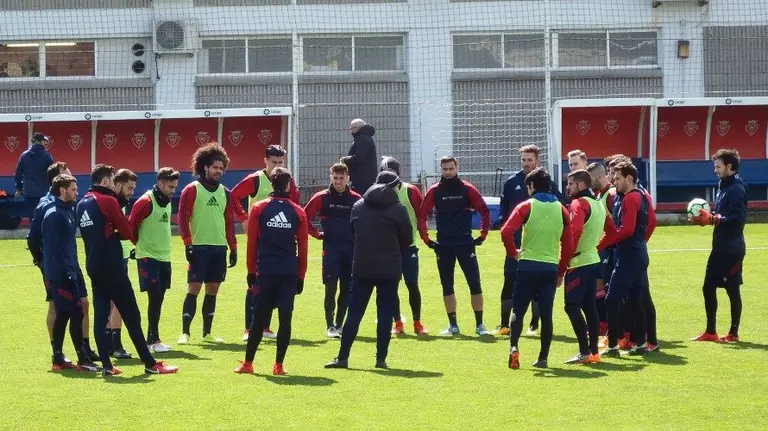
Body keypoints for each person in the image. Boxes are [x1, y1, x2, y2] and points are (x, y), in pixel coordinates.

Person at [77, 164, 177, 375]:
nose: (114, 186)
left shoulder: (82, 203)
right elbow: (127, 232)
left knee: (101, 312)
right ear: (105, 181)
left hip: (93, 263)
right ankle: (150, 364)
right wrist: (115, 228)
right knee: (132, 313)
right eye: (112, 181)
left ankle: (106, 365)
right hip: (112, 264)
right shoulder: (107, 200)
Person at [325, 171, 413, 369]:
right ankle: (380, 359)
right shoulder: (398, 209)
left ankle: (343, 357)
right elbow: (407, 238)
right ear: (394, 186)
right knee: (384, 314)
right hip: (389, 268)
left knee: (354, 313)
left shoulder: (358, 206)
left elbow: (353, 232)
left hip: (362, 266)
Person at [235, 168, 308, 376]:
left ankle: (248, 364)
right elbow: (303, 248)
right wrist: (301, 276)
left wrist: (251, 271)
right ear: (287, 186)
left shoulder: (258, 208)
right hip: (288, 273)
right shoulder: (297, 212)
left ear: (271, 185)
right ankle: (279, 366)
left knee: (258, 319)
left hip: (265, 271)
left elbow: (252, 243)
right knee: (285, 319)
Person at [501, 168, 572, 369]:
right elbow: (568, 246)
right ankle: (543, 358)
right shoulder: (561, 209)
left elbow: (506, 231)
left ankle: (513, 347)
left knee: (519, 309)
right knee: (546, 313)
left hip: (527, 264)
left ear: (531, 186)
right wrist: (561, 272)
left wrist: (513, 252)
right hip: (549, 267)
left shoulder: (527, 205)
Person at [27, 161, 98, 361]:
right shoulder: (46, 206)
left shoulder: (69, 205)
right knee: (57, 307)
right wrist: (43, 263)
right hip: (55, 267)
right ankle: (56, 351)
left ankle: (85, 348)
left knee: (83, 303)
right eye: (67, 174)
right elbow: (33, 237)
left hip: (72, 264)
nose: (76, 190)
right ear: (59, 183)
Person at [494, 145, 564, 336]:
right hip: (515, 244)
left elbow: (560, 206)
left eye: (529, 160)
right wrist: (504, 224)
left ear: (537, 160)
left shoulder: (546, 183)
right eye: (523, 160)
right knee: (509, 279)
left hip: (538, 244)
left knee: (536, 284)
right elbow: (504, 208)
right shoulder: (511, 183)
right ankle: (504, 323)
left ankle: (535, 322)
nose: (526, 163)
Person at [231, 144, 299, 341]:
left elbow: (293, 206)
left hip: (281, 241)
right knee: (255, 280)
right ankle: (249, 327)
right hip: (259, 240)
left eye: (280, 162)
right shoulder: (255, 180)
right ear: (265, 161)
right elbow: (234, 196)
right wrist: (244, 217)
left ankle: (265, 327)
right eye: (274, 162)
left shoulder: (288, 181)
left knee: (275, 282)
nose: (277, 166)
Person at [419, 156, 491, 336]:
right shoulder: (434, 190)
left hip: (465, 242)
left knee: (474, 282)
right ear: (441, 169)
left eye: (451, 168)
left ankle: (480, 325)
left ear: (457, 168)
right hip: (443, 244)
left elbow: (484, 210)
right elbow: (422, 215)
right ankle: (453, 325)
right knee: (447, 284)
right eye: (445, 169)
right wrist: (426, 239)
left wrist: (483, 234)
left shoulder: (467, 189)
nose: (448, 172)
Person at [177, 143, 238, 344]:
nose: (218, 171)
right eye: (215, 167)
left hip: (219, 248)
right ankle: (185, 333)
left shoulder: (226, 193)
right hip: (199, 247)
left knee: (212, 290)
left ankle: (207, 333)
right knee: (193, 288)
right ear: (205, 167)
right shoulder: (191, 189)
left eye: (221, 168)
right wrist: (188, 244)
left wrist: (233, 247)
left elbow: (229, 222)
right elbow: (182, 219)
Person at [690, 149, 747, 344]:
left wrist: (714, 219)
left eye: (718, 166)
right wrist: (704, 219)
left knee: (732, 290)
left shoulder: (737, 189)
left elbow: (738, 220)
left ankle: (734, 332)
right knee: (708, 287)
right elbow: (720, 215)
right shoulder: (723, 185)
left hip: (732, 250)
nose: (715, 170)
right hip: (720, 248)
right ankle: (711, 331)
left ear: (730, 167)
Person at [597, 161, 651, 356]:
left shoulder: (630, 199)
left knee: (612, 299)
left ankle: (613, 346)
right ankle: (641, 344)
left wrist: (601, 245)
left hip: (629, 255)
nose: (613, 181)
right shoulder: (633, 196)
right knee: (636, 300)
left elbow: (626, 230)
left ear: (629, 178)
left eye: (618, 178)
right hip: (637, 253)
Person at [303, 163, 361, 337]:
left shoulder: (356, 198)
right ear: (330, 177)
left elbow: (364, 221)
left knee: (346, 288)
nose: (338, 182)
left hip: (350, 251)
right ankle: (329, 326)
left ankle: (340, 324)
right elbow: (303, 216)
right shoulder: (322, 197)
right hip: (331, 250)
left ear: (348, 178)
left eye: (341, 178)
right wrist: (316, 234)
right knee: (330, 287)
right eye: (335, 178)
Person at [563, 170, 613, 364]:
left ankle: (584, 351)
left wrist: (565, 257)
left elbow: (573, 231)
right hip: (593, 259)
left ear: (581, 185)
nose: (567, 187)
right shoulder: (598, 204)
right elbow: (611, 231)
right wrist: (594, 246)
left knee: (572, 306)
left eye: (570, 184)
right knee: (590, 307)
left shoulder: (579, 203)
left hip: (579, 262)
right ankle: (593, 352)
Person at [128, 167, 179, 353]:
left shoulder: (167, 200)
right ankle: (152, 340)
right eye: (171, 187)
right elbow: (131, 228)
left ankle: (153, 338)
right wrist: (141, 248)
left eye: (175, 187)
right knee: (154, 296)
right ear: (160, 183)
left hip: (164, 256)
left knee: (159, 298)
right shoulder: (144, 202)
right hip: (148, 257)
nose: (174, 190)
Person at [380, 156, 429, 336]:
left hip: (408, 246)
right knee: (392, 286)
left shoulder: (410, 191)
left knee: (412, 284)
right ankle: (398, 323)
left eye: (391, 172)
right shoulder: (377, 192)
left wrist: (424, 236)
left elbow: (422, 215)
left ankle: (417, 322)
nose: (388, 176)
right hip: (388, 249)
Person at [105, 168, 137, 359]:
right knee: (118, 302)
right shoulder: (112, 203)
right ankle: (115, 345)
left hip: (119, 255)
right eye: (129, 188)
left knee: (109, 302)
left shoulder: (117, 202)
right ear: (117, 185)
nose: (132, 192)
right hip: (115, 257)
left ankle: (109, 344)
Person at [587, 162, 612, 336]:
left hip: (609, 249)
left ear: (597, 177)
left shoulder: (610, 195)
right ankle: (603, 324)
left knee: (604, 287)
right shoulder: (599, 195)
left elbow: (616, 225)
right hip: (600, 248)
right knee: (597, 287)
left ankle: (608, 326)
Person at [15, 132, 54, 222]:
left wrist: (19, 188)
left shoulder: (24, 155)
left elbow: (18, 174)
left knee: (33, 219)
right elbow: (53, 174)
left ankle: (33, 235)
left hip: (29, 192)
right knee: (44, 218)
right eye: (44, 141)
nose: (46, 143)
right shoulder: (46, 156)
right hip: (44, 193)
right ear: (41, 142)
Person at [340, 118, 377, 195]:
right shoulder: (366, 137)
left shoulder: (362, 139)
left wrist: (345, 159)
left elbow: (359, 157)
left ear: (357, 128)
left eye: (352, 129)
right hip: (366, 178)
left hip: (361, 179)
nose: (351, 132)